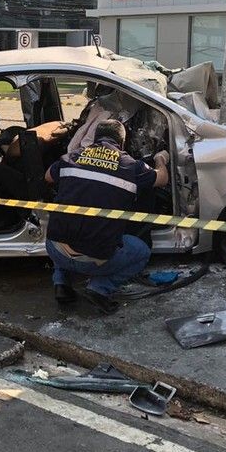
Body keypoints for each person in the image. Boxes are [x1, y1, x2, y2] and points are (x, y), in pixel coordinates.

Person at [44, 119, 170, 314]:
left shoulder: (71, 156)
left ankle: (61, 283)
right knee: (141, 252)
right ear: (122, 143)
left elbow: (47, 177)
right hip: (95, 259)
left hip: (55, 250)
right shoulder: (130, 166)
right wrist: (161, 159)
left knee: (66, 226)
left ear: (94, 138)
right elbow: (162, 179)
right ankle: (99, 288)